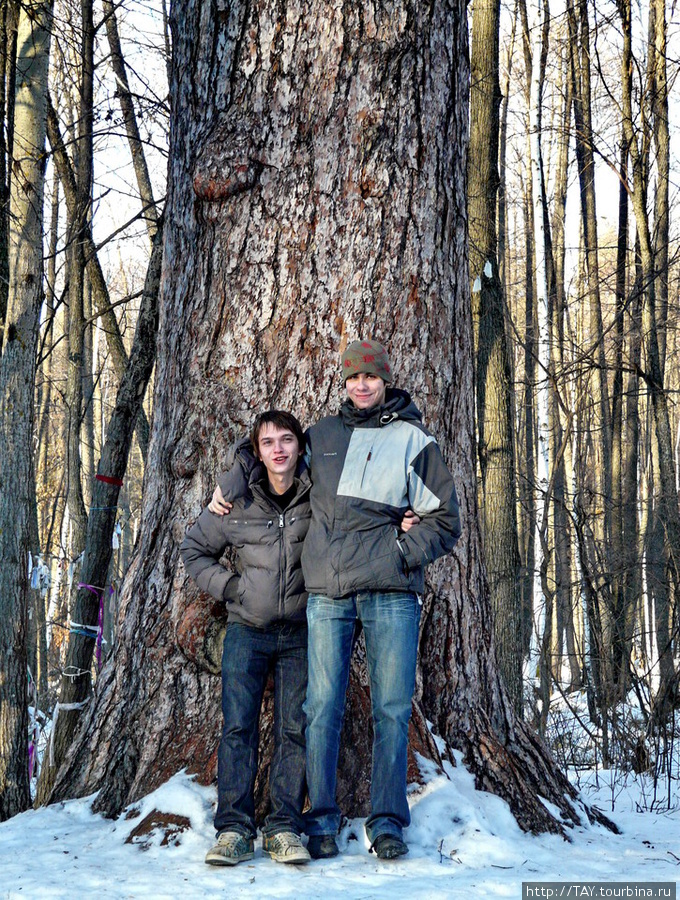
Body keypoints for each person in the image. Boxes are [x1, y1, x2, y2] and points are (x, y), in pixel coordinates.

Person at [211, 340, 461, 862]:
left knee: (391, 709)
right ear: (344, 383)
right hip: (326, 593)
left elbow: (445, 520)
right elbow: (265, 454)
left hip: (391, 591)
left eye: (371, 377)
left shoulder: (414, 439)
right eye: (353, 377)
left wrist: (399, 552)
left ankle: (388, 822)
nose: (362, 385)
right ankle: (320, 820)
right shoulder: (321, 436)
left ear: (385, 381)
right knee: (321, 707)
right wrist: (229, 485)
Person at [180, 410, 312, 866]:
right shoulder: (236, 503)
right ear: (257, 451)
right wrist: (232, 588)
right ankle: (234, 829)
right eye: (268, 442)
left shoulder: (318, 497)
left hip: (301, 633)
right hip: (247, 631)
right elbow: (193, 549)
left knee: (295, 730)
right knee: (238, 727)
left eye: (286, 440)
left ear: (299, 446)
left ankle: (283, 828)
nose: (278, 449)